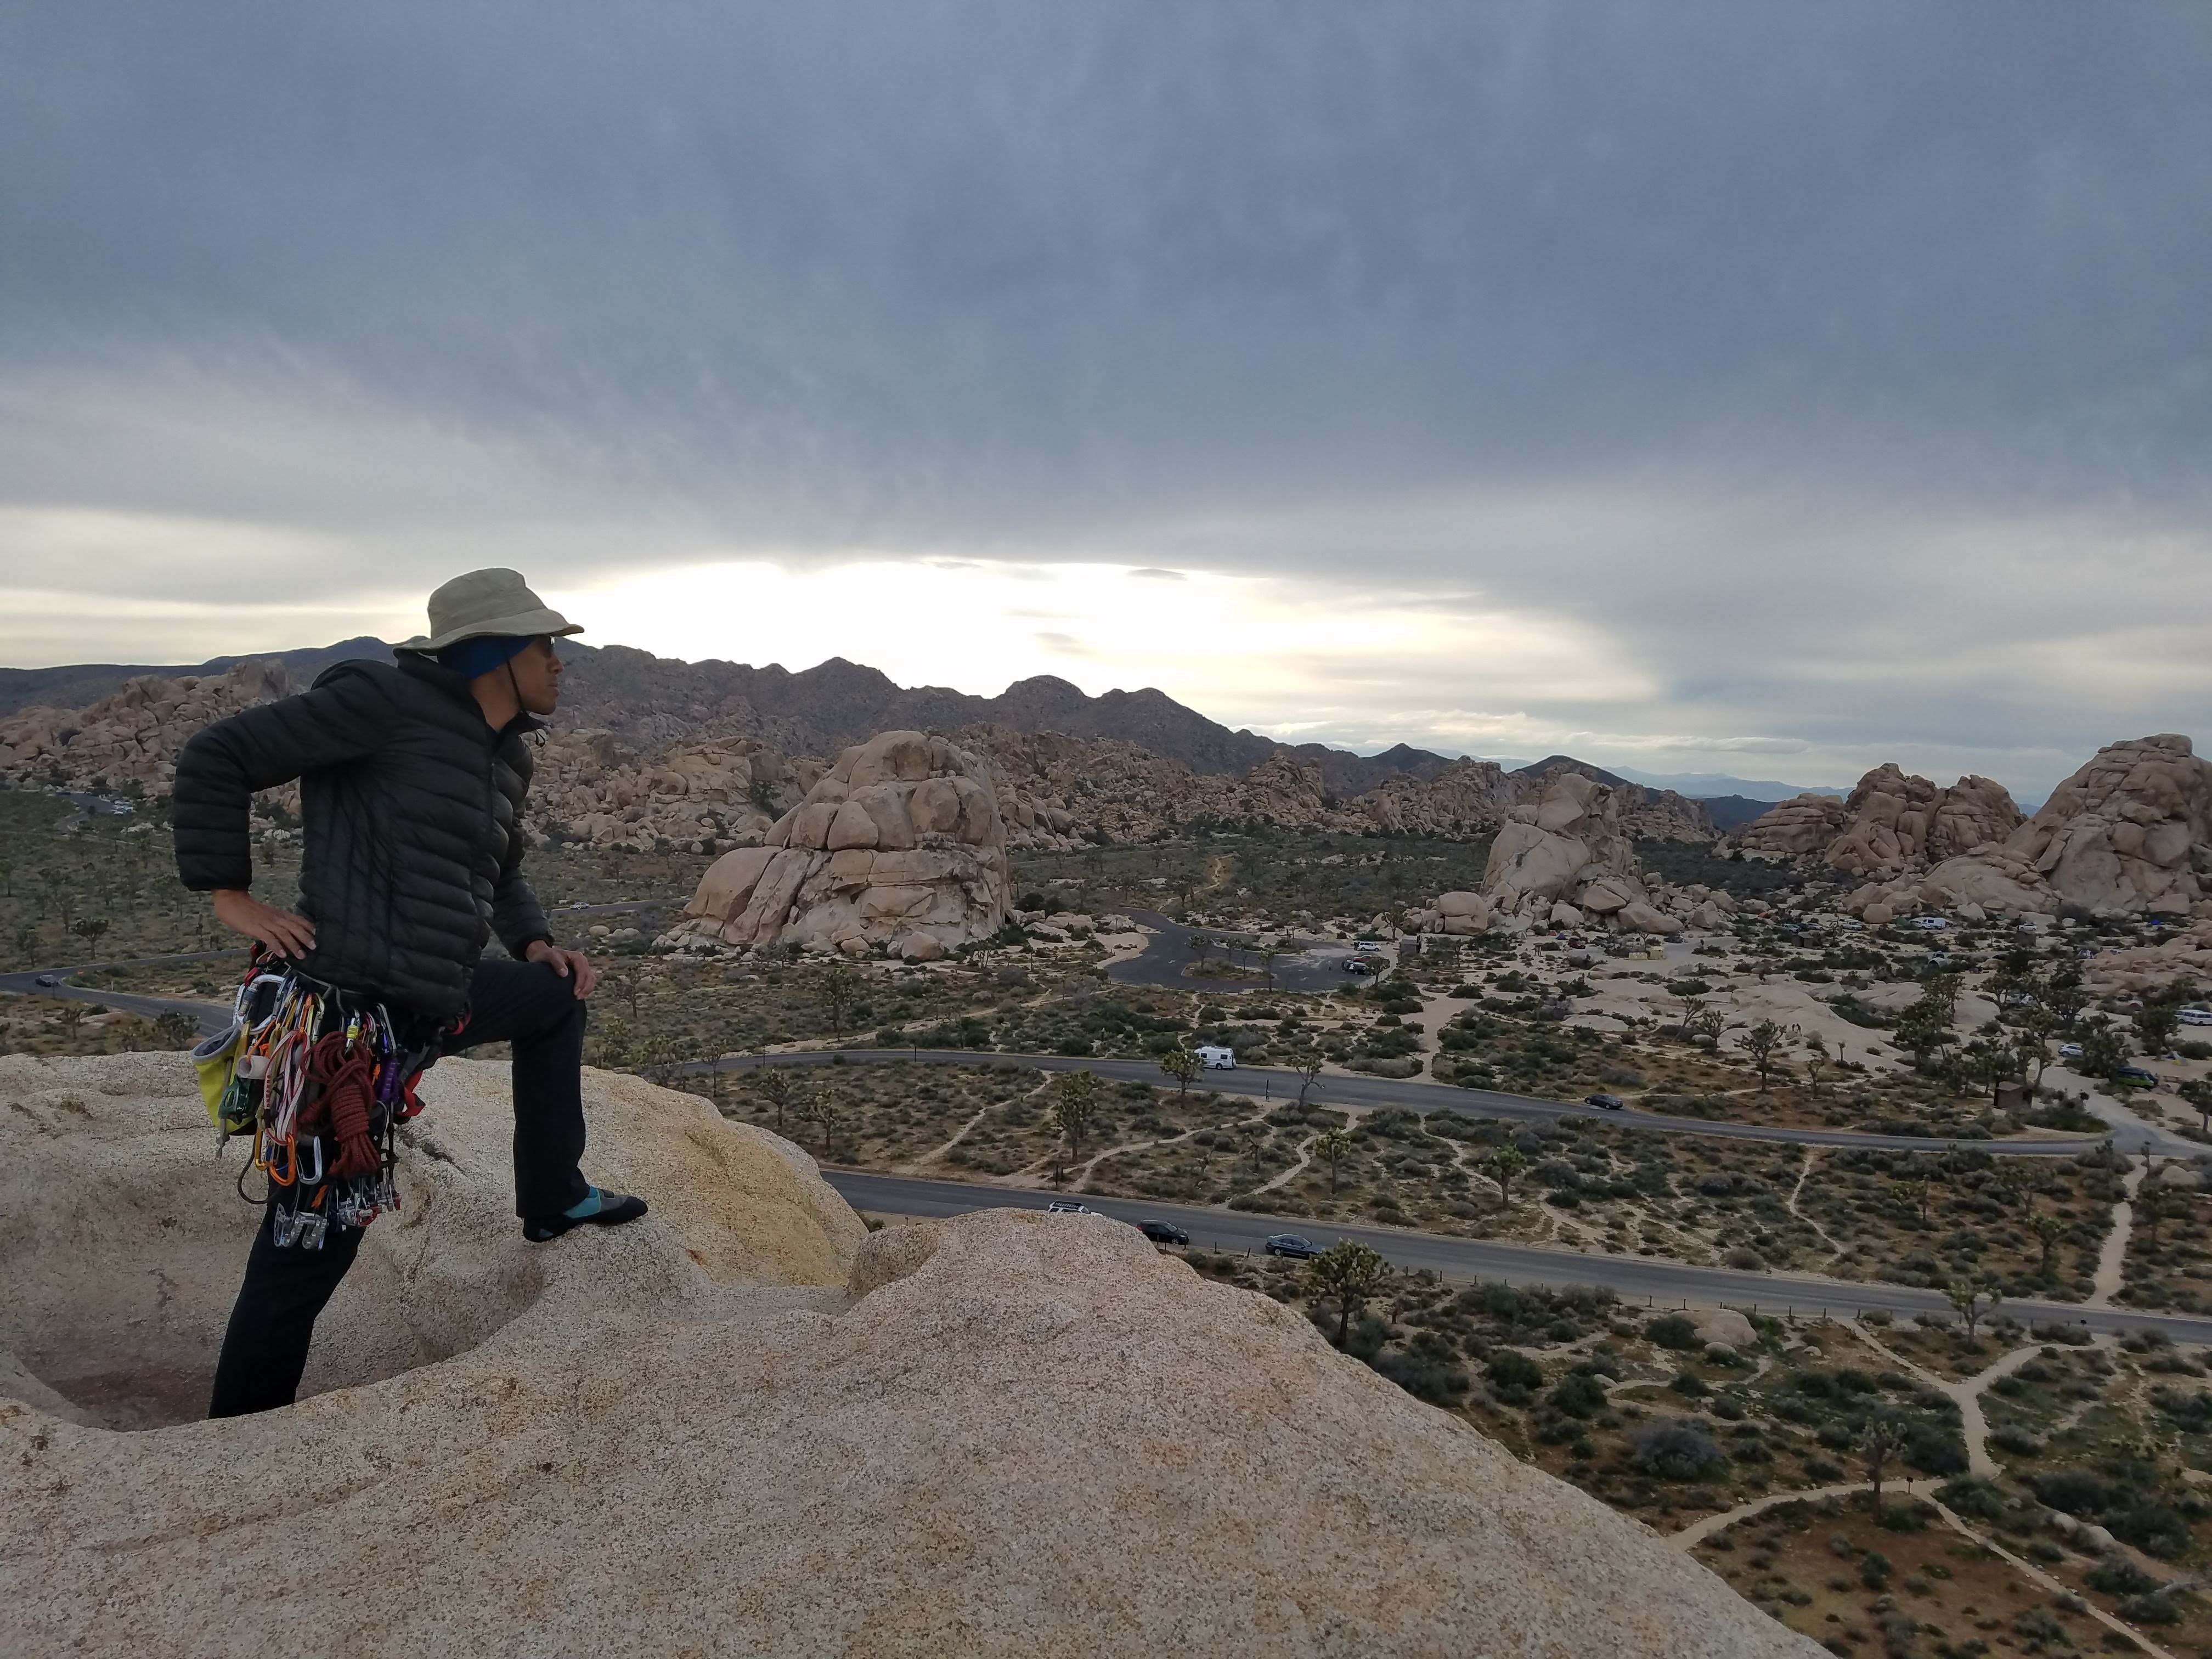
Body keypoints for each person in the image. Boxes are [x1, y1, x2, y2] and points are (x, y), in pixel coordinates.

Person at [174, 568, 648, 1418]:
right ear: (494, 654)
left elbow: (497, 875)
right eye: (546, 646)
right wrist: (230, 894)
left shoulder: (506, 758)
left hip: (432, 997)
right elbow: (220, 756)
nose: (560, 662)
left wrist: (538, 944)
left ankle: (551, 1198)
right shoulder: (379, 703)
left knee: (553, 1000)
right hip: (345, 1015)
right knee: (312, 1242)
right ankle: (236, 1437)